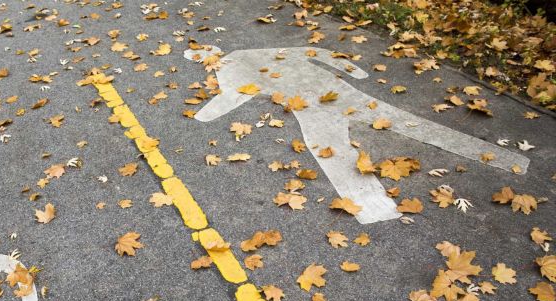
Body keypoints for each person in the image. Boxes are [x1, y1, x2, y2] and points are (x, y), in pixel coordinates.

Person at [186, 45, 530, 224]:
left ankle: (375, 208)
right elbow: (307, 54)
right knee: (386, 128)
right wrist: (352, 70)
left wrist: (203, 116)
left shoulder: (234, 66)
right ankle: (508, 160)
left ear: (206, 56)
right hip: (327, 98)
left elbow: (300, 57)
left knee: (337, 148)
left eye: (202, 55)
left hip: (324, 100)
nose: (207, 58)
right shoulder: (236, 66)